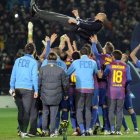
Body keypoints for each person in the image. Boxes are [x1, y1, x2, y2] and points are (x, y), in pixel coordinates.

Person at [31, 3, 106, 53]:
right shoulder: (95, 22)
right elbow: (85, 23)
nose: (95, 16)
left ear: (101, 18)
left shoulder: (99, 25)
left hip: (74, 26)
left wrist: (76, 22)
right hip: (75, 23)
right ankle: (38, 11)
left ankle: (36, 14)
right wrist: (77, 16)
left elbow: (88, 26)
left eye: (97, 15)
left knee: (56, 18)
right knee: (56, 15)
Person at [9, 43, 38, 138]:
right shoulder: (34, 62)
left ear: (25, 51)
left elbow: (13, 75)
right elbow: (34, 77)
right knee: (26, 111)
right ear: (33, 51)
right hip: (27, 89)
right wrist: (36, 90)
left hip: (17, 88)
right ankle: (24, 132)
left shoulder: (18, 60)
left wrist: (11, 87)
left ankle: (21, 131)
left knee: (20, 111)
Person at [67, 47, 97, 136]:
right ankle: (88, 130)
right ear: (88, 54)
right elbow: (95, 72)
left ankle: (82, 130)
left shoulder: (76, 62)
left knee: (79, 109)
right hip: (90, 88)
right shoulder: (93, 62)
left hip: (80, 88)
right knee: (88, 109)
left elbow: (68, 73)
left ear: (80, 54)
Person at [38, 52, 69, 137]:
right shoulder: (61, 69)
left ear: (47, 58)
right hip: (56, 95)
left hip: (45, 95)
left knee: (45, 113)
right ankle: (52, 132)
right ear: (56, 59)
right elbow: (65, 83)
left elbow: (39, 83)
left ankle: (44, 130)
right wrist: (66, 94)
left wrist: (40, 93)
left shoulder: (42, 69)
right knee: (53, 114)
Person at [103, 50, 132, 135]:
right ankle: (118, 130)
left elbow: (105, 75)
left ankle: (112, 130)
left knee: (111, 110)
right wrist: (124, 85)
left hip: (111, 91)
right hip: (121, 91)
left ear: (113, 57)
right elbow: (129, 79)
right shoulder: (126, 67)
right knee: (119, 111)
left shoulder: (109, 66)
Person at [91, 35, 114, 134]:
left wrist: (93, 43)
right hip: (107, 86)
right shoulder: (112, 60)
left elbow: (95, 52)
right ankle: (106, 129)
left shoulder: (102, 56)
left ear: (105, 50)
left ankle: (95, 124)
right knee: (105, 107)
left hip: (98, 84)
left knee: (94, 106)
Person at [121, 54, 138, 134]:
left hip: (124, 92)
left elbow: (129, 79)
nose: (120, 57)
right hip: (121, 91)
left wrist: (123, 85)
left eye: (122, 57)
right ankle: (126, 128)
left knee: (130, 110)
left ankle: (136, 128)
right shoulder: (117, 66)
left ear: (125, 60)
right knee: (119, 111)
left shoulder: (126, 66)